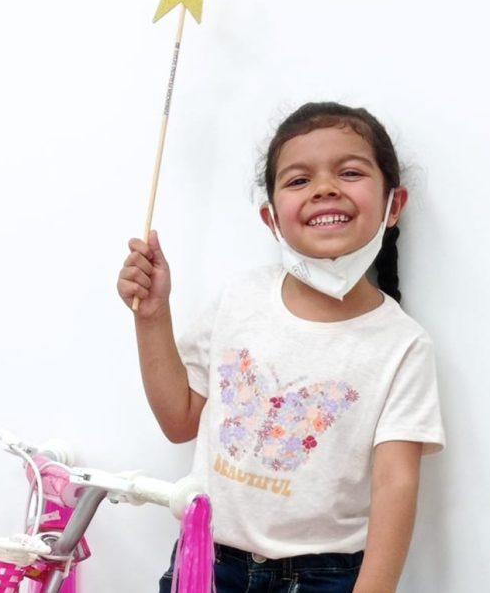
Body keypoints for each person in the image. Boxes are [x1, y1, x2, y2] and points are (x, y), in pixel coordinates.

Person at [117, 102, 446, 593]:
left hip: (323, 577)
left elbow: (395, 486)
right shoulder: (239, 299)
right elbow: (178, 421)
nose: (324, 188)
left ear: (394, 204)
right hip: (207, 560)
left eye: (350, 172)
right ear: (270, 218)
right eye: (298, 180)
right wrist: (151, 316)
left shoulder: (402, 345)